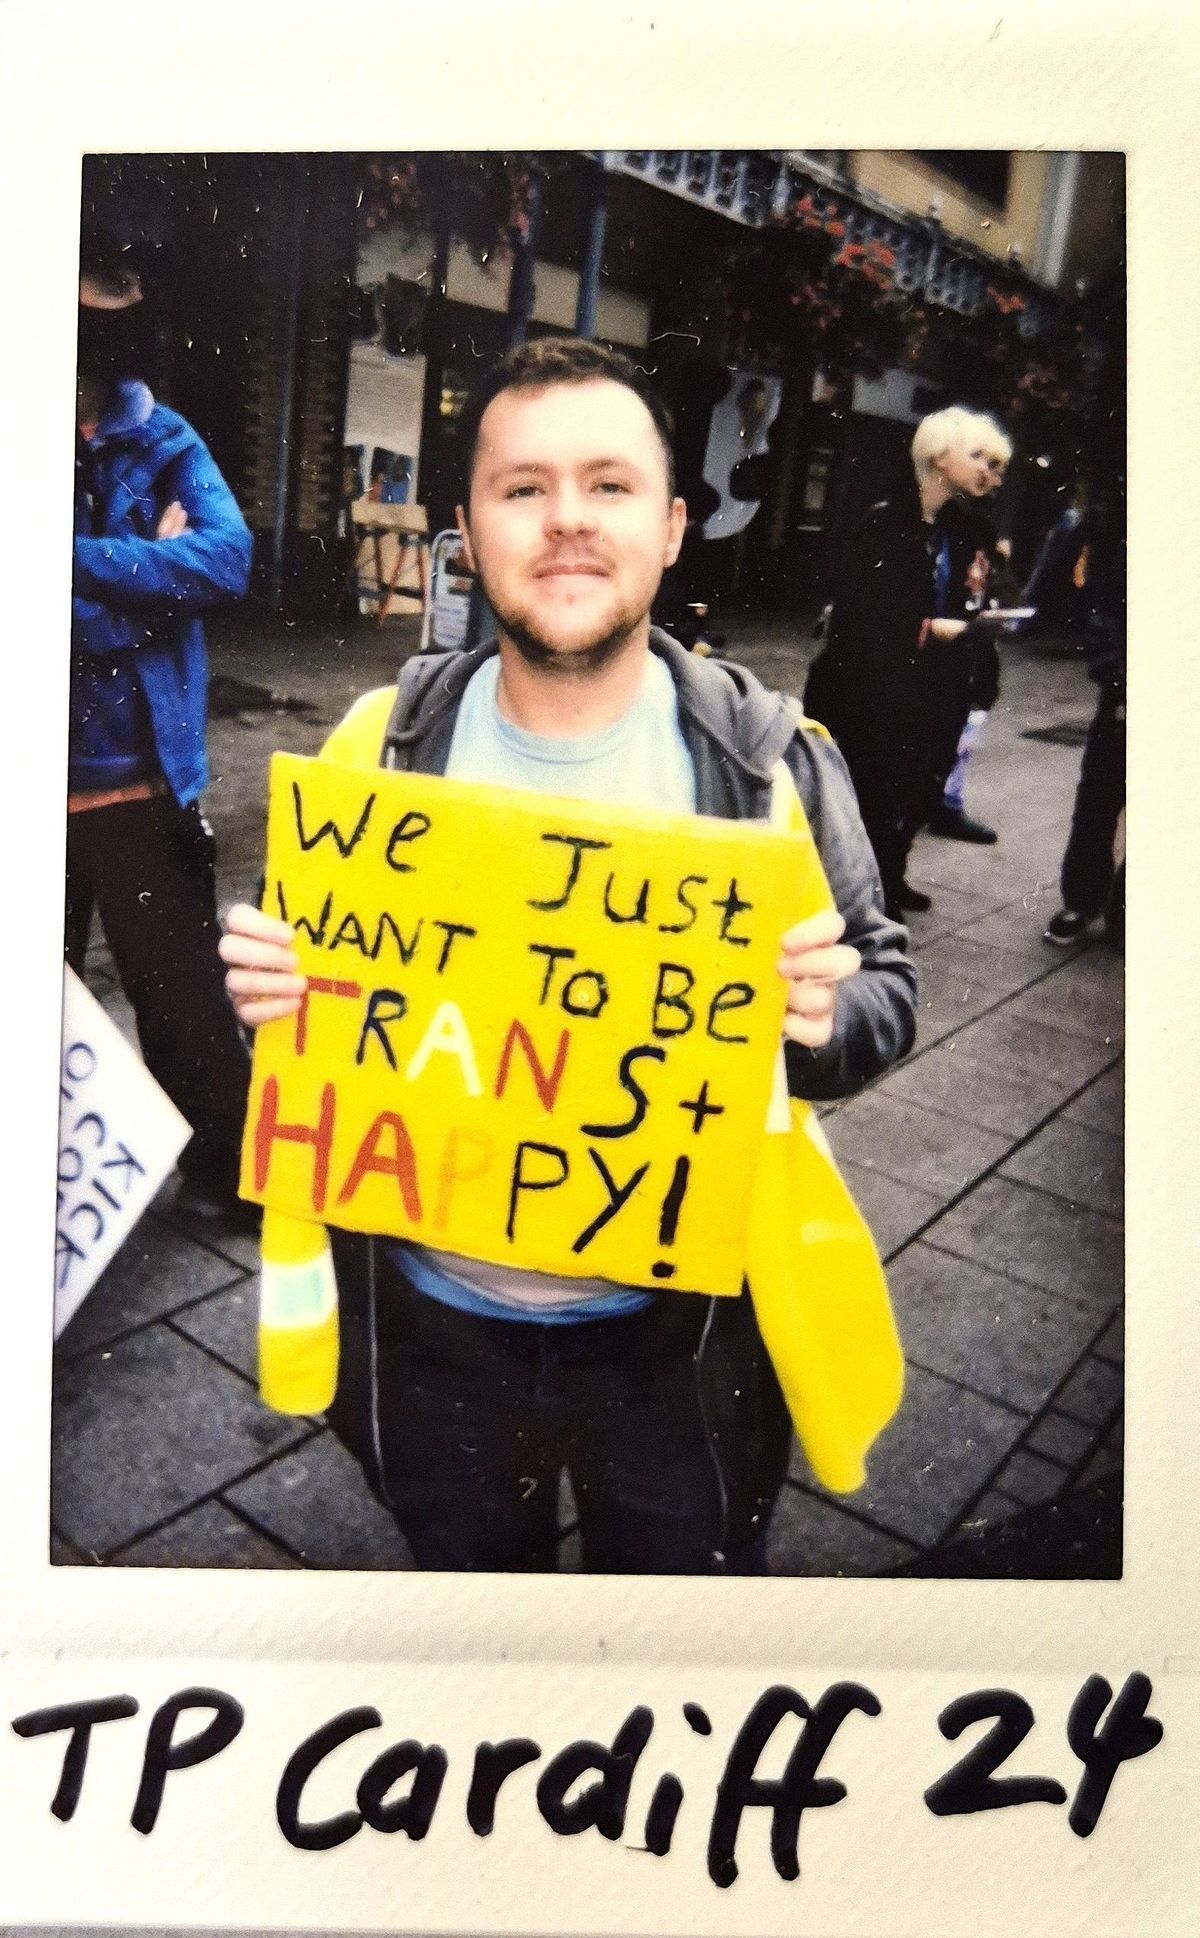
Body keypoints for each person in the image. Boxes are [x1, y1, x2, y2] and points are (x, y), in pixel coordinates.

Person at [220, 336, 917, 1575]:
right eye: (522, 488)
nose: (568, 522)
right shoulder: (379, 748)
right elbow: (320, 999)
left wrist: (820, 1020)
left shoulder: (771, 765)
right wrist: (265, 996)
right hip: (433, 1335)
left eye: (609, 484)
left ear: (672, 527)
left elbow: (887, 988)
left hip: (681, 1344)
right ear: (467, 532)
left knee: (672, 1631)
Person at [70, 234, 255, 1219]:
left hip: (141, 778)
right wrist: (146, 585)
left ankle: (230, 1178)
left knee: (183, 1000)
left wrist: (71, 561)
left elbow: (226, 559)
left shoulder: (164, 436)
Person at [803, 406, 987, 920]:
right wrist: (928, 628)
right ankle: (868, 893)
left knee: (913, 784)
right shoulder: (885, 522)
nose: (985, 469)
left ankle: (890, 877)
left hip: (925, 681)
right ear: (939, 458)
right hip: (873, 685)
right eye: (975, 455)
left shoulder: (952, 527)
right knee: (874, 789)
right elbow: (861, 614)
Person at [925, 412, 1017, 846]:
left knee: (964, 727)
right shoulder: (941, 517)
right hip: (935, 640)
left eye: (997, 467)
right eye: (981, 460)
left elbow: (986, 583)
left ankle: (945, 802)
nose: (990, 476)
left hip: (968, 644)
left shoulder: (982, 522)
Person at [1043, 497, 1126, 948]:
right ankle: (1081, 898)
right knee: (1099, 796)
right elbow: (1103, 609)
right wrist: (1118, 675)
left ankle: (1130, 910)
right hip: (1126, 692)